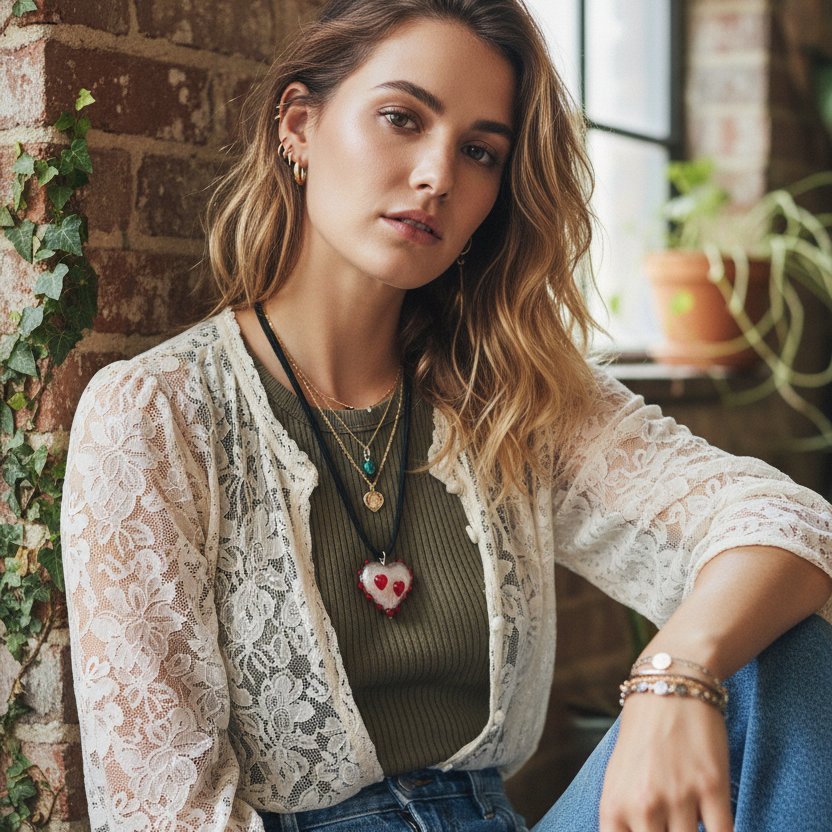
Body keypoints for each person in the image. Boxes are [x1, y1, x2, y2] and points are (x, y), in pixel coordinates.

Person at [60, 1, 832, 830]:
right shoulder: (159, 413)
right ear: (299, 126)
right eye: (401, 118)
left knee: (790, 656)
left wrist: (671, 675)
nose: (438, 174)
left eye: (478, 151)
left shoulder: (504, 391)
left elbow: (786, 521)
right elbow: (160, 814)